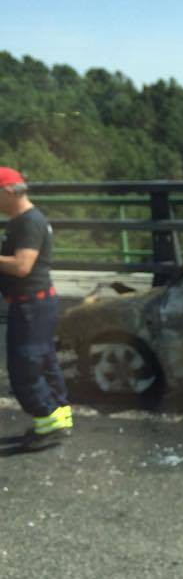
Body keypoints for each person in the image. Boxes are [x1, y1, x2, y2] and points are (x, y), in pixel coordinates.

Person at [0, 167, 72, 449]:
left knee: (25, 368)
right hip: (35, 303)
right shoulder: (20, 220)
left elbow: (22, 266)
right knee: (45, 363)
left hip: (32, 305)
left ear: (7, 192)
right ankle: (57, 419)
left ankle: (49, 420)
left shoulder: (29, 222)